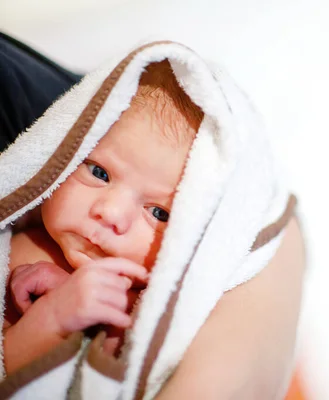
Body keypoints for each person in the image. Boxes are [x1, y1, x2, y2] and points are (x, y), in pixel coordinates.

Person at [0, 33, 305, 399]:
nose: (110, 213)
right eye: (98, 172)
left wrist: (74, 318)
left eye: (159, 212)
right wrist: (50, 311)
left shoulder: (142, 315)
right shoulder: (23, 240)